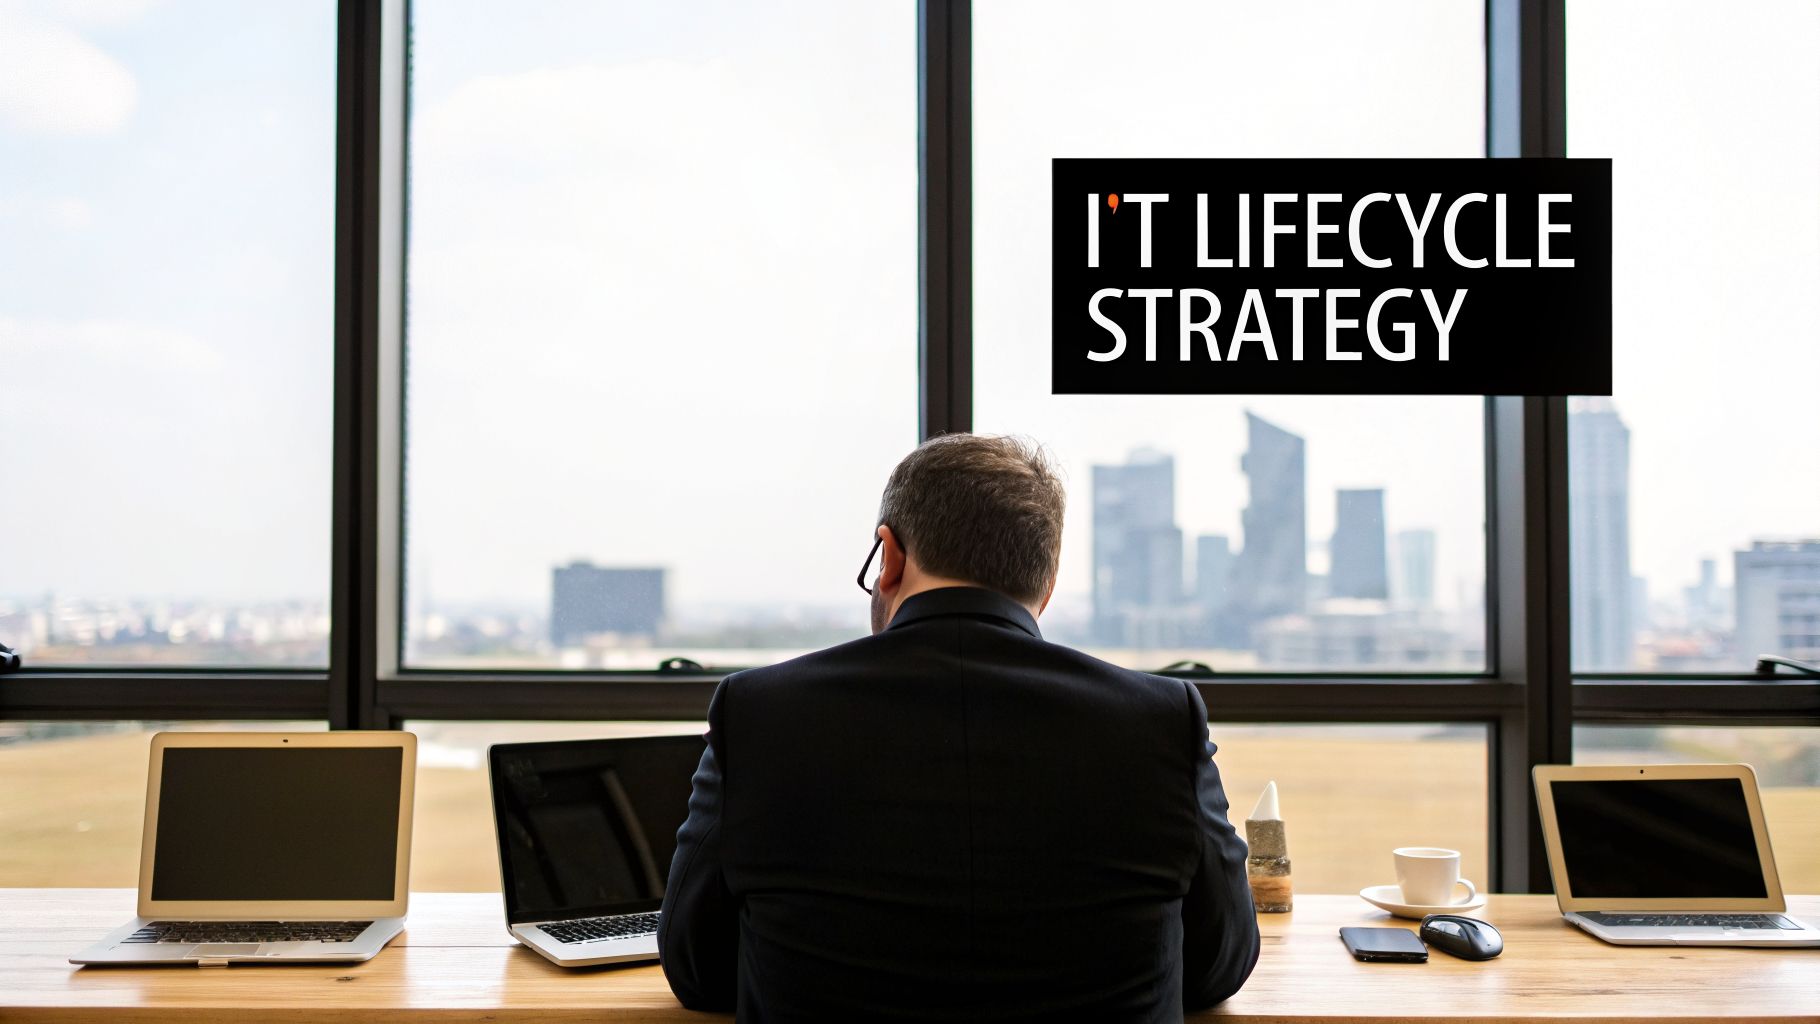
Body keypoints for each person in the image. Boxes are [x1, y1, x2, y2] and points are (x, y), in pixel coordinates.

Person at [658, 433, 1259, 1022]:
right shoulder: (1160, 719)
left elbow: (697, 970)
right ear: (1046, 586)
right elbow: (1217, 966)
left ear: (889, 556)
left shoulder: (759, 712)